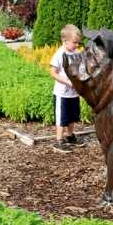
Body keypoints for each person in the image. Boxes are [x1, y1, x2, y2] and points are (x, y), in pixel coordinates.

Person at [48, 25, 83, 154]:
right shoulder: (59, 54)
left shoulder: (76, 53)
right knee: (62, 118)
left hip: (73, 93)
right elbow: (53, 73)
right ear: (65, 41)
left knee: (73, 116)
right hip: (62, 94)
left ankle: (70, 136)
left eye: (78, 42)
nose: (77, 45)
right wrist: (68, 82)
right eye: (74, 42)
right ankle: (59, 140)